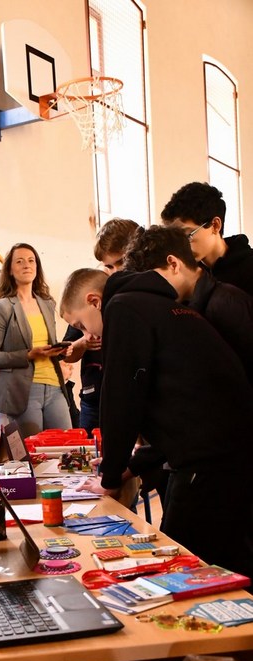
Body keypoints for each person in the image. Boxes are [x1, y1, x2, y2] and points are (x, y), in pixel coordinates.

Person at [59, 261, 253, 579]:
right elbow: (180, 412)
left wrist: (109, 478)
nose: (87, 335)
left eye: (81, 324)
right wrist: (130, 466)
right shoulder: (159, 305)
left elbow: (121, 398)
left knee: (180, 564)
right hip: (227, 450)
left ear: (95, 301)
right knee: (229, 557)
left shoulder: (121, 308)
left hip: (209, 460)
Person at [126, 224, 253, 385]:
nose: (153, 290)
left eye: (153, 280)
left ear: (173, 264)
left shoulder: (227, 305)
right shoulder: (192, 306)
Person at [0, 242, 71, 438]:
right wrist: (28, 355)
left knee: (66, 446)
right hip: (24, 392)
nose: (26, 265)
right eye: (20, 261)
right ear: (10, 270)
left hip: (55, 387)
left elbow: (48, 344)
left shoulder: (47, 304)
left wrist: (61, 352)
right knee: (31, 452)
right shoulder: (2, 307)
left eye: (31, 261)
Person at [63, 218, 138, 435]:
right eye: (109, 266)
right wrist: (83, 341)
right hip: (96, 394)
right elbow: (67, 353)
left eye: (120, 263)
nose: (115, 272)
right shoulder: (95, 292)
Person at [161, 181, 253, 296]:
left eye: (187, 236)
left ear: (215, 225)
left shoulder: (249, 269)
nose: (180, 247)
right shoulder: (190, 274)